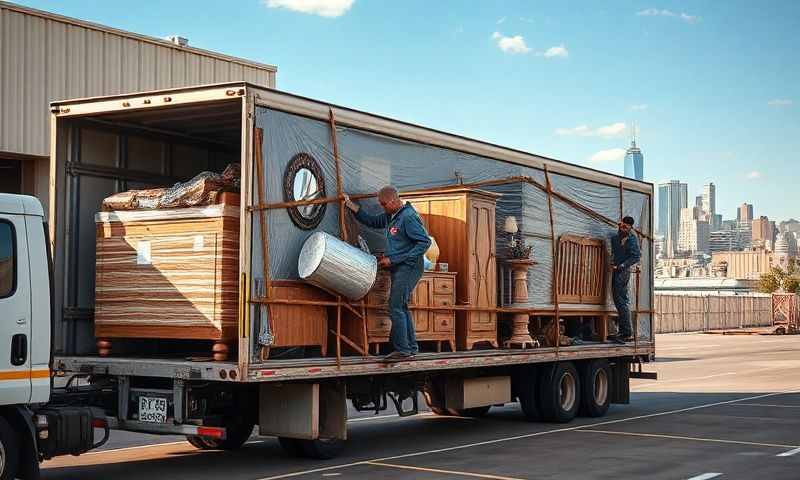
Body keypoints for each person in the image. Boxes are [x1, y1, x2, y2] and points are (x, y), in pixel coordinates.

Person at [344, 186, 431, 361]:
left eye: (383, 204)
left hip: (409, 267)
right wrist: (351, 206)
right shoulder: (393, 215)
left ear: (393, 200)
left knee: (395, 306)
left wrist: (394, 259)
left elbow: (424, 243)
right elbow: (373, 222)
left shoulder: (408, 217)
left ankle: (402, 350)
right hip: (400, 266)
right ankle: (411, 347)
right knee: (402, 306)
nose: (382, 208)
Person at [609, 216, 641, 344]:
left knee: (621, 301)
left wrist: (622, 265)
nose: (623, 228)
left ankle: (626, 332)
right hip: (617, 270)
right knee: (618, 299)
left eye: (626, 227)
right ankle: (623, 331)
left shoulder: (631, 239)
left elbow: (636, 256)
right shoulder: (619, 234)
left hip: (622, 271)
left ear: (630, 227)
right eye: (622, 226)